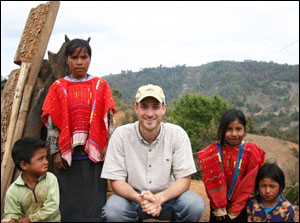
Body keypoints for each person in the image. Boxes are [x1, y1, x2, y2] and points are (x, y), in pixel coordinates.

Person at [101, 84, 205, 222]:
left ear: (163, 109)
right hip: (132, 199)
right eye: (144, 107)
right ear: (136, 108)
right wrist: (140, 199)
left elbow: (184, 179)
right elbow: (116, 180)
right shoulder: (121, 135)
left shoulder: (177, 134)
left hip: (168, 199)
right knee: (113, 211)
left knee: (194, 205)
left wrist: (159, 198)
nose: (150, 114)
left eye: (155, 107)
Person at [41, 38, 116, 222]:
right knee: (70, 203)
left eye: (84, 57)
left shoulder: (100, 86)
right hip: (68, 157)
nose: (79, 62)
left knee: (95, 203)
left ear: (90, 59)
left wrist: (109, 147)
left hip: (95, 155)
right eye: (74, 57)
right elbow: (52, 124)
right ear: (66, 59)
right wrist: (55, 153)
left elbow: (109, 120)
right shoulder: (58, 87)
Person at [198, 109, 266, 222]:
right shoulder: (212, 151)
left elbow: (248, 184)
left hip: (242, 205)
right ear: (222, 130)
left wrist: (236, 208)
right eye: (229, 129)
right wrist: (218, 206)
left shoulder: (252, 151)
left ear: (244, 129)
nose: (234, 134)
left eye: (238, 129)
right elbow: (211, 181)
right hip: (217, 207)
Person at [2, 137, 61, 222]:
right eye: (40, 159)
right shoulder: (13, 191)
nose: (46, 162)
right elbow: (12, 214)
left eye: (45, 157)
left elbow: (52, 206)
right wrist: (11, 219)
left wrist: (29, 219)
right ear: (24, 165)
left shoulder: (50, 179)